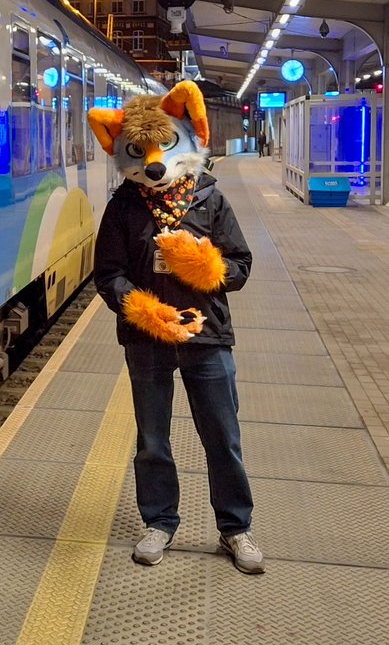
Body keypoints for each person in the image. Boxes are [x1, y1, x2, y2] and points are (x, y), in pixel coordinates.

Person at [88, 81, 263, 575]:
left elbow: (242, 265)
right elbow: (109, 274)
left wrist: (206, 267)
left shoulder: (210, 200)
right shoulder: (124, 205)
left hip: (207, 336)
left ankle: (235, 528)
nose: (154, 161)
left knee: (222, 434)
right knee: (151, 438)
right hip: (148, 340)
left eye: (164, 146)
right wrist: (142, 309)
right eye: (141, 152)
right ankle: (159, 521)